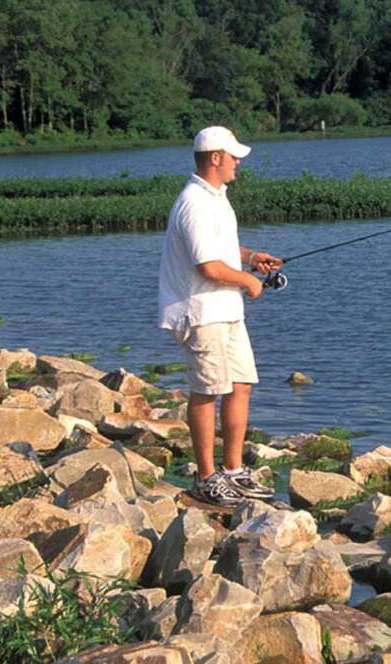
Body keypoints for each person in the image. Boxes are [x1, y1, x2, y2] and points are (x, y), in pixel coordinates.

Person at [158, 126, 283, 506]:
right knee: (207, 391)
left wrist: (250, 257)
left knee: (241, 384)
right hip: (201, 311)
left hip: (226, 309)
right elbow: (207, 266)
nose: (238, 163)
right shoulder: (194, 202)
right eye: (233, 157)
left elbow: (221, 249)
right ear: (215, 158)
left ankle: (233, 471)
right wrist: (249, 280)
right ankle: (205, 478)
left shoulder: (216, 198)